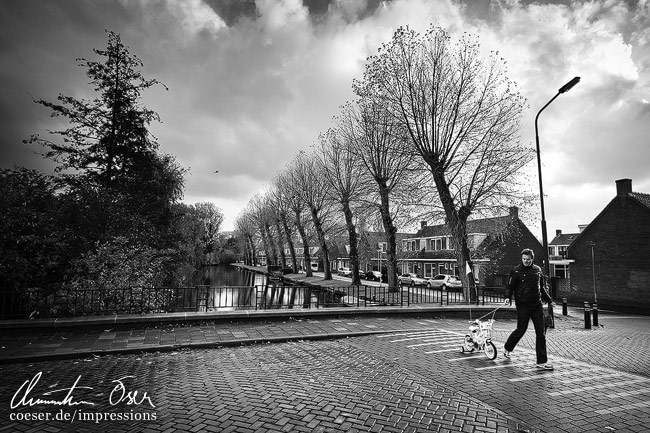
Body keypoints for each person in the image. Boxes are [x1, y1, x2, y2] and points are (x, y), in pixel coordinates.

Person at [503, 248, 555, 370]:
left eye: (528, 259)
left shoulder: (537, 270)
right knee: (521, 329)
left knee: (541, 333)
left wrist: (549, 300)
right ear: (522, 259)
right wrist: (507, 297)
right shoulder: (516, 271)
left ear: (532, 259)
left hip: (536, 305)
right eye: (524, 259)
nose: (526, 261)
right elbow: (510, 286)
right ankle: (508, 348)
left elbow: (542, 288)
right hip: (522, 305)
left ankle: (541, 362)